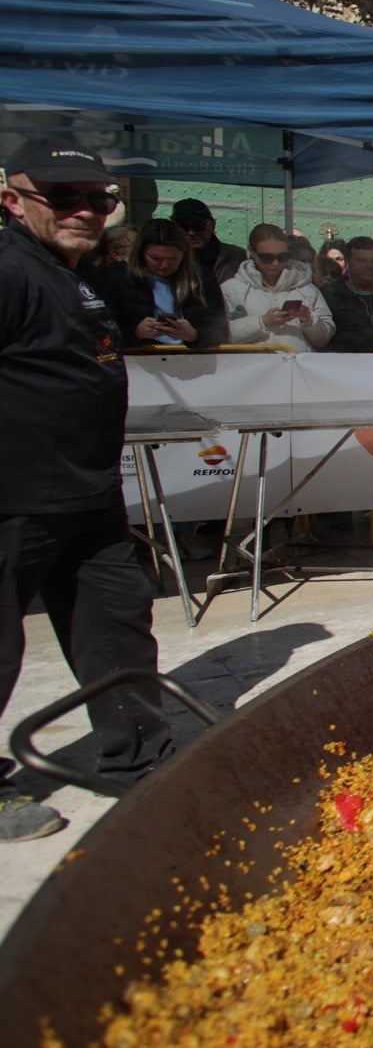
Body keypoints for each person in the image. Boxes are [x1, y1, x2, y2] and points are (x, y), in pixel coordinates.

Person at [1, 144, 177, 841]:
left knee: (117, 619)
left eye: (98, 199)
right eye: (63, 196)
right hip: (15, 493)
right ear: (15, 199)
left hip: (87, 493)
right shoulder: (10, 268)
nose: (84, 211)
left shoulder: (78, 275)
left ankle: (142, 756)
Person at [101, 218, 225, 349]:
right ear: (141, 253)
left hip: (191, 359)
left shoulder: (201, 278)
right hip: (138, 359)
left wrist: (194, 335)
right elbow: (101, 332)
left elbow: (220, 330)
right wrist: (135, 332)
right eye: (156, 258)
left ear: (184, 254)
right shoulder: (116, 277)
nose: (164, 265)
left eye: (173, 258)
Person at [225, 223, 333, 349]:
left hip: (295, 367)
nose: (275, 263)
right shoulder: (231, 289)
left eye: (282, 257)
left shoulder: (307, 289)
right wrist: (262, 322)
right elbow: (220, 335)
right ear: (252, 252)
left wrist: (309, 320)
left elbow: (324, 339)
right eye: (266, 257)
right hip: (252, 367)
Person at [170, 197, 246, 284]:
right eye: (183, 227)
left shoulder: (236, 256)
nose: (191, 233)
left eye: (198, 225)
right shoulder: (167, 257)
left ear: (212, 225)